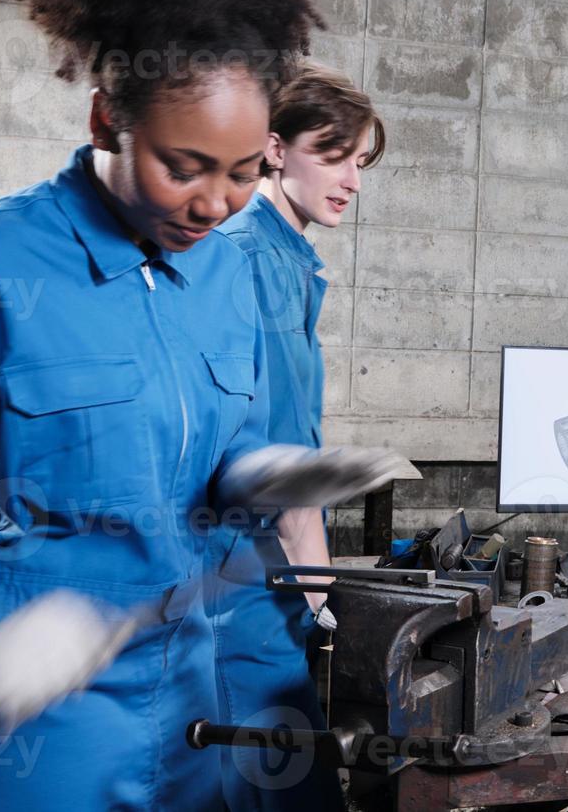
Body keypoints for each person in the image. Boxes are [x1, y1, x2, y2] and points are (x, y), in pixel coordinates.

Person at [0, 0, 403, 809]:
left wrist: (262, 474)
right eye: (184, 166)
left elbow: (205, 456)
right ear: (105, 118)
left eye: (243, 173)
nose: (214, 203)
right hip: (33, 729)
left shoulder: (228, 269)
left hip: (192, 710)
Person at [208, 65, 384, 810]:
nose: (350, 179)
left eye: (360, 162)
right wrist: (319, 608)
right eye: (332, 154)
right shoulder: (257, 259)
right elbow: (286, 475)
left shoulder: (282, 256)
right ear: (275, 149)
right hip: (243, 581)